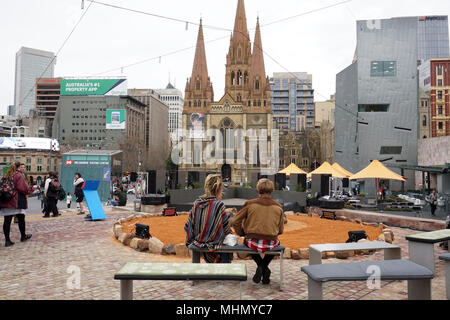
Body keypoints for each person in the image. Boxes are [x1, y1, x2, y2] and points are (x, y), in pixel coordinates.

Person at [231, 178, 284, 285]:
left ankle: (261, 266)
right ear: (272, 191)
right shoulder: (279, 207)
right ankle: (265, 267)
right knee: (276, 244)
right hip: (271, 241)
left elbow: (235, 221)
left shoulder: (250, 204)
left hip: (252, 240)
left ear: (258, 191)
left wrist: (242, 233)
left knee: (247, 243)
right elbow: (281, 230)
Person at [184, 174, 233, 263]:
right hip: (214, 246)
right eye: (221, 190)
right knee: (226, 248)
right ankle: (225, 272)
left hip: (198, 243)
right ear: (218, 189)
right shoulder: (219, 205)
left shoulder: (197, 203)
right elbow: (226, 230)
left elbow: (189, 226)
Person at [0, 162, 35, 247]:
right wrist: (31, 189)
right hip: (16, 200)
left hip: (6, 199)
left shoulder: (6, 175)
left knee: (7, 220)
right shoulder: (18, 175)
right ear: (18, 167)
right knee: (21, 218)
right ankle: (23, 236)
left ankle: (7, 240)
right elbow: (22, 188)